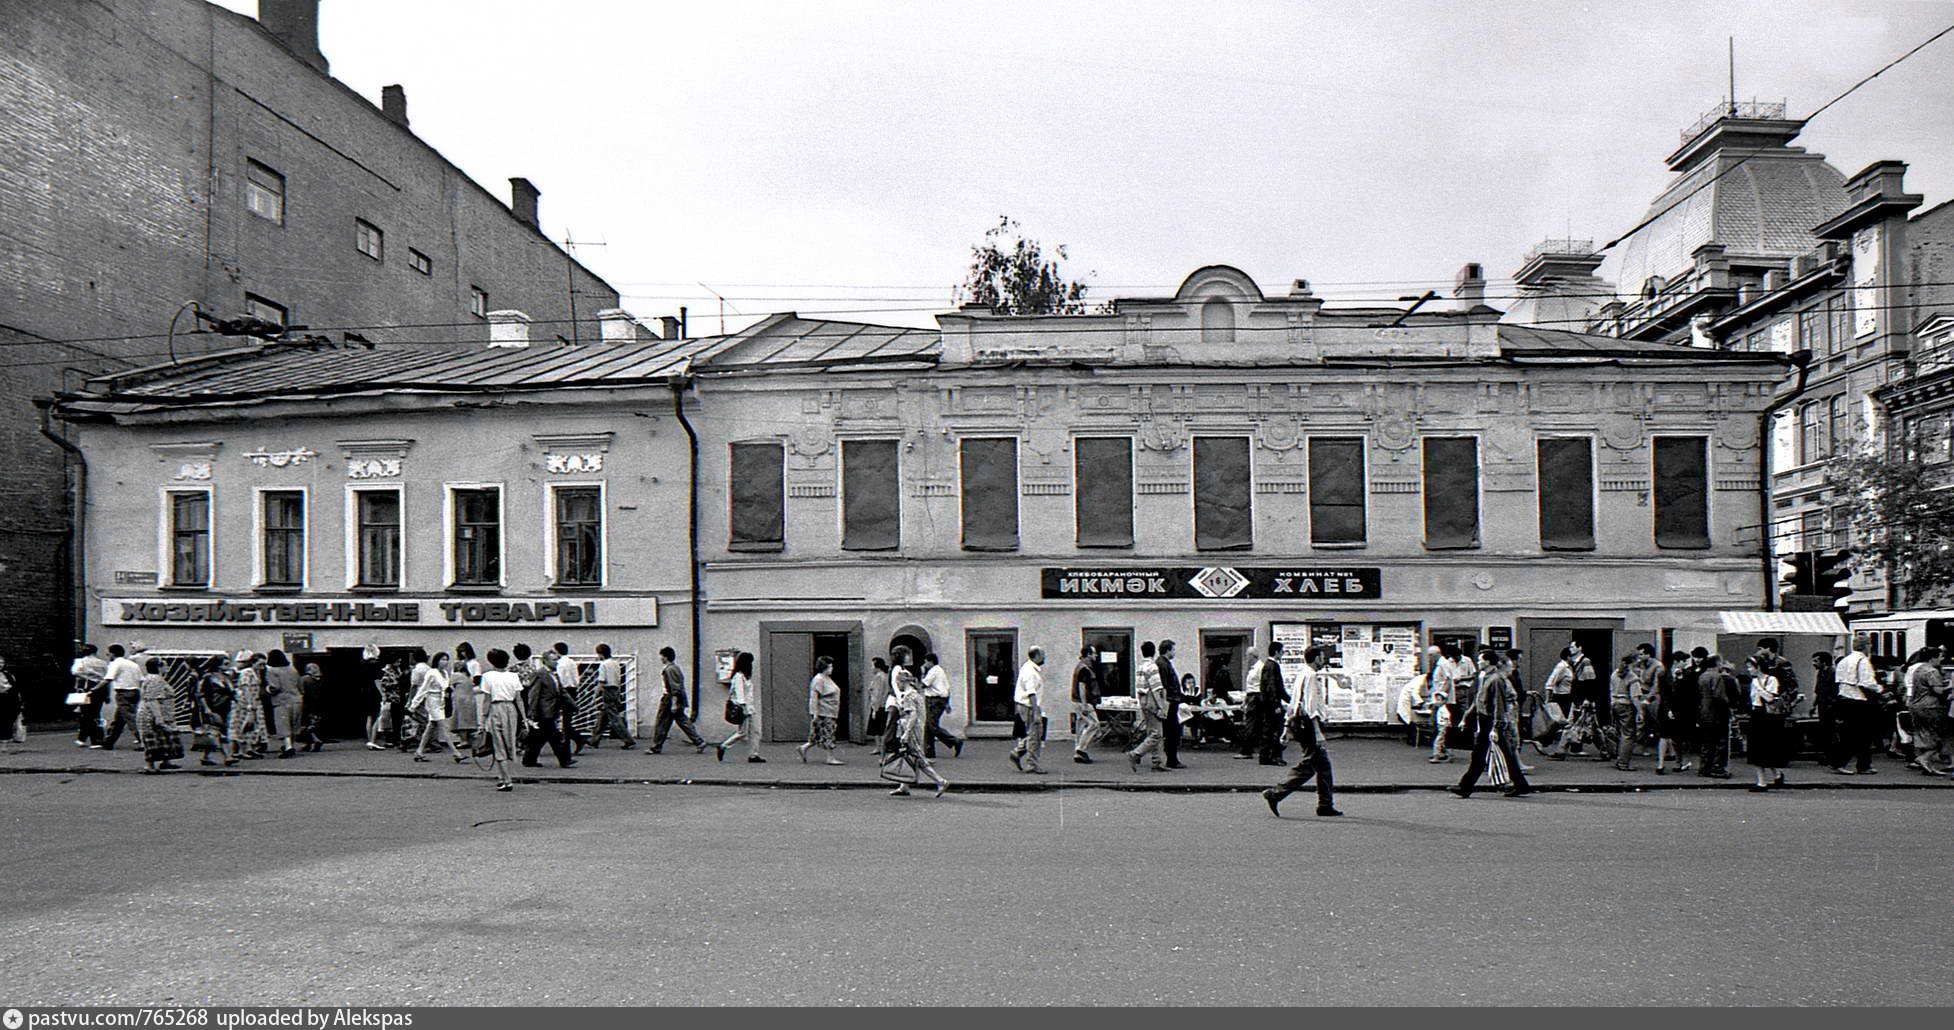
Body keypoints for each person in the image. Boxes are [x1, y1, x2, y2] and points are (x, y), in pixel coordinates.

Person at [1262, 646, 1342, 816]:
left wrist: (1286, 727)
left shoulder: (1302, 674)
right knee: (1309, 765)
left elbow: (1294, 703)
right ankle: (1276, 793)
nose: (1323, 661)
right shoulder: (1312, 676)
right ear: (1316, 659)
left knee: (1323, 765)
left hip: (1299, 722)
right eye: (1322, 657)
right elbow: (1311, 706)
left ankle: (1325, 805)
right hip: (1308, 725)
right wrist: (1318, 731)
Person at [1449, 649, 1531, 799]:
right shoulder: (1485, 677)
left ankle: (1465, 787)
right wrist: (1466, 717)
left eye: (1480, 660)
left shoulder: (1496, 679)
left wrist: (1495, 727)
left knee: (1481, 754)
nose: (1478, 662)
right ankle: (1521, 785)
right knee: (1505, 754)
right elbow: (1479, 700)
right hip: (1487, 720)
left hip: (1492, 722)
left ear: (1487, 662)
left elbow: (1498, 705)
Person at [883, 659, 948, 798]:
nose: (898, 686)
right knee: (909, 756)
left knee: (917, 757)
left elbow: (912, 715)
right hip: (917, 729)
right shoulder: (917, 694)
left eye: (899, 683)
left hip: (910, 730)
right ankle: (904, 786)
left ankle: (940, 781)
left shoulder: (908, 696)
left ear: (903, 682)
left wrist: (906, 733)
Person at [518, 643, 576, 768]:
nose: (557, 663)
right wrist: (531, 713)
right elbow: (533, 695)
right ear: (545, 661)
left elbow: (562, 692)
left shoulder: (554, 674)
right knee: (555, 736)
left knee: (539, 738)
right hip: (543, 711)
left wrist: (573, 705)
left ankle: (529, 759)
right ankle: (565, 759)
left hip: (552, 710)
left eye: (557, 660)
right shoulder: (540, 674)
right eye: (554, 660)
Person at [1830, 639, 1882, 775]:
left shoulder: (1844, 661)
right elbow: (1867, 683)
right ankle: (1855, 764)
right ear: (1866, 646)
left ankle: (1857, 763)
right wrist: (1880, 689)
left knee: (1848, 733)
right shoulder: (1863, 661)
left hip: (1844, 700)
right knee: (1862, 735)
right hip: (1859, 701)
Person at [479, 648, 528, 792]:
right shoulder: (513, 676)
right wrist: (524, 718)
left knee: (498, 744)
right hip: (511, 709)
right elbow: (519, 699)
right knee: (508, 743)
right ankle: (503, 777)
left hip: (496, 708)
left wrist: (482, 719)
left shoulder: (487, 676)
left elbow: (487, 700)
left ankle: (507, 780)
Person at [1745, 655, 1792, 792]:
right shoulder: (1753, 681)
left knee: (1766, 748)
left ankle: (1764, 781)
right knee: (1757, 749)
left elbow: (1770, 697)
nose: (1749, 670)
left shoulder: (1771, 680)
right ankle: (1769, 778)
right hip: (1757, 715)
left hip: (1768, 717)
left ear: (1758, 667)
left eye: (1750, 667)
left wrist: (1759, 688)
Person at [648, 646, 706, 753]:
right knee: (683, 721)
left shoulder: (669, 670)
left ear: (666, 657)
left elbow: (675, 688)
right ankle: (699, 741)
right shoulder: (675, 668)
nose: (661, 658)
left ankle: (656, 746)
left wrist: (673, 703)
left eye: (662, 656)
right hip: (676, 699)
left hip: (669, 699)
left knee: (662, 722)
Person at [1902, 647, 1950, 776]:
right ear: (1932, 658)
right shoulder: (1931, 671)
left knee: (1923, 734)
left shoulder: (1918, 669)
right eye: (1940, 656)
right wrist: (1950, 685)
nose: (1942, 659)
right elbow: (1938, 691)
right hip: (1931, 706)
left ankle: (1927, 765)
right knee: (1939, 736)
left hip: (1916, 705)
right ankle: (1924, 758)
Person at [409, 652, 465, 763]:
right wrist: (414, 704)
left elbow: (446, 687)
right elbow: (423, 689)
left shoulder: (444, 673)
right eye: (442, 659)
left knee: (431, 726)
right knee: (443, 727)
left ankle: (419, 751)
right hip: (432, 701)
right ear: (437, 661)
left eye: (446, 659)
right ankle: (456, 753)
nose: (445, 662)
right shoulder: (432, 673)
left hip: (441, 701)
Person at [133, 657, 183, 773]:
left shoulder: (155, 678)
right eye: (165, 665)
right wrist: (158, 717)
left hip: (159, 711)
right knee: (153, 738)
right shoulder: (155, 680)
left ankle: (166, 761)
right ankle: (150, 765)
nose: (168, 667)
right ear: (158, 667)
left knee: (162, 737)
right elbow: (152, 699)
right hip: (152, 713)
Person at [1427, 641, 1475, 763]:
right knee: (1444, 726)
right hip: (1446, 697)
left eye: (1430, 655)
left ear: (1435, 655)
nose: (1429, 658)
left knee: (1443, 726)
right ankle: (1444, 752)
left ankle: (1439, 753)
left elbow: (1447, 681)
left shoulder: (1443, 664)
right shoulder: (1445, 663)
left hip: (1447, 697)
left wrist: (1440, 697)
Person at [715, 651, 762, 763]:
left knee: (755, 732)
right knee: (743, 732)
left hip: (750, 708)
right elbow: (740, 693)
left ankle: (754, 755)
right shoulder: (739, 677)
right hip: (744, 708)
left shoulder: (744, 677)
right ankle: (723, 746)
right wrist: (744, 707)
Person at [1654, 651, 1696, 775]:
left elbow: (1688, 692)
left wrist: (1681, 680)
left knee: (1677, 737)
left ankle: (1678, 762)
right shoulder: (1664, 675)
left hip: (1680, 709)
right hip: (1669, 708)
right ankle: (1661, 764)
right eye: (1684, 661)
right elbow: (1664, 693)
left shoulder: (1686, 675)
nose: (1685, 664)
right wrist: (1668, 709)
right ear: (1677, 662)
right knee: (1665, 735)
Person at [1695, 652, 1736, 779]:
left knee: (1707, 742)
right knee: (1721, 742)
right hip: (1717, 713)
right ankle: (1718, 767)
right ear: (1717, 663)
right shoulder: (1717, 677)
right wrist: (1729, 706)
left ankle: (1704, 767)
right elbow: (1719, 696)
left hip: (1704, 713)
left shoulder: (1702, 676)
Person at [798, 655, 845, 765]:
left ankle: (803, 748)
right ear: (824, 667)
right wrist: (815, 713)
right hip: (825, 711)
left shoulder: (826, 678)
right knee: (828, 733)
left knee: (817, 734)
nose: (832, 669)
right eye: (830, 666)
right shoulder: (819, 679)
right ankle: (830, 757)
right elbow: (814, 697)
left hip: (830, 711)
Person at [588, 643, 634, 749]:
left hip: (608, 691)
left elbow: (601, 682)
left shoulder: (603, 665)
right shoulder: (615, 663)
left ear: (601, 654)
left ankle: (628, 739)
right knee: (603, 716)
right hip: (616, 690)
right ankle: (594, 739)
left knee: (614, 717)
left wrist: (595, 696)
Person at [1127, 657, 1169, 773]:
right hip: (1152, 701)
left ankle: (1157, 761)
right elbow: (1156, 689)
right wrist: (1161, 706)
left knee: (1151, 732)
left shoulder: (1140, 667)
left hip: (1143, 701)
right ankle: (1135, 753)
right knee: (1157, 734)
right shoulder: (1152, 667)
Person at [918, 652, 964, 759]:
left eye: (925, 662)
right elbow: (946, 688)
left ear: (930, 661)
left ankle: (954, 741)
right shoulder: (940, 671)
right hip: (940, 699)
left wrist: (922, 673)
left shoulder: (933, 671)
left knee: (932, 725)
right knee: (928, 726)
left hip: (934, 700)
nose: (925, 664)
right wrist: (947, 703)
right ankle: (929, 751)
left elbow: (924, 684)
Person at [1009, 647, 1046, 774]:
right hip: (1029, 706)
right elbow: (1032, 693)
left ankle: (1018, 752)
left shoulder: (1027, 667)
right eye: (1042, 655)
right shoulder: (1031, 672)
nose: (1044, 657)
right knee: (1035, 734)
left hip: (1024, 705)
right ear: (1037, 656)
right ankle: (1032, 764)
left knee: (1033, 732)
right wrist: (1036, 712)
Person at [100, 643, 143, 751]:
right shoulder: (132, 664)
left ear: (113, 654)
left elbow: (108, 679)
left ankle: (144, 741)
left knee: (130, 718)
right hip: (135, 691)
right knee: (119, 718)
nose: (107, 655)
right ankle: (109, 741)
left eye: (108, 653)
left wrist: (95, 689)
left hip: (123, 692)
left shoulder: (115, 664)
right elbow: (141, 679)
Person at [194, 655, 235, 767]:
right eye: (225, 664)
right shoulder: (208, 677)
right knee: (217, 731)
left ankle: (206, 756)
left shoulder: (226, 677)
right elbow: (200, 694)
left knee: (217, 732)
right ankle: (228, 756)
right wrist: (206, 708)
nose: (228, 666)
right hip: (213, 706)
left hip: (225, 706)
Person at [1256, 640, 1291, 765]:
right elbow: (1273, 687)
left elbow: (1276, 688)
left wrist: (1290, 700)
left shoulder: (1269, 665)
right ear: (1276, 652)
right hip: (1271, 705)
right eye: (1282, 652)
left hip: (1268, 704)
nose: (1283, 654)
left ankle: (1266, 756)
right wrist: (1277, 704)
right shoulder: (1272, 666)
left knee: (1269, 731)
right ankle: (1274, 756)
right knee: (1274, 731)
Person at [262, 649, 300, 759]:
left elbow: (275, 687)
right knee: (294, 724)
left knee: (283, 724)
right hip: (296, 699)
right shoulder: (292, 669)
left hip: (281, 700)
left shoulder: (272, 671)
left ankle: (288, 747)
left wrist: (267, 690)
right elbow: (299, 684)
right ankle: (291, 745)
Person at [1070, 644, 1105, 764]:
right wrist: (1085, 704)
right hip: (1084, 702)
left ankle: (1078, 751)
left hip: (1076, 701)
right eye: (1094, 653)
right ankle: (1081, 750)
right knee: (1094, 724)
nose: (1096, 655)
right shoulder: (1084, 669)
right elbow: (1082, 687)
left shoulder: (1080, 667)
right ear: (1088, 654)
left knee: (1081, 726)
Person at [228, 651, 266, 761]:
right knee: (242, 726)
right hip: (244, 703)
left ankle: (250, 749)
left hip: (255, 702)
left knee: (254, 727)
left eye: (264, 664)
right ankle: (241, 750)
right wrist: (250, 704)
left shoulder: (257, 673)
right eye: (260, 664)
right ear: (253, 663)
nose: (262, 667)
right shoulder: (247, 672)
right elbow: (245, 688)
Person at [1608, 654, 1642, 771]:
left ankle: (1618, 757)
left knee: (1619, 732)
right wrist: (1641, 712)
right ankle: (1623, 762)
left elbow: (1611, 690)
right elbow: (1635, 697)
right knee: (1628, 734)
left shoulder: (1614, 674)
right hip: (1626, 705)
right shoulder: (1632, 678)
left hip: (1615, 704)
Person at [71, 644, 109, 747]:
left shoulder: (80, 661)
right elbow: (107, 678)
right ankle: (95, 737)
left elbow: (74, 672)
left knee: (86, 713)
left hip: (86, 688)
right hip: (101, 689)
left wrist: (88, 675)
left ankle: (90, 739)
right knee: (96, 713)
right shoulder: (103, 663)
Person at [1157, 639, 1186, 769]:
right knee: (1172, 732)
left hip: (1171, 700)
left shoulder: (1164, 663)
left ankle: (1171, 758)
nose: (1175, 652)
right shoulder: (1163, 664)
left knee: (1172, 731)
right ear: (1168, 650)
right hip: (1170, 702)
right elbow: (1164, 685)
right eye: (1173, 649)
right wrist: (1166, 701)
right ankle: (1171, 759)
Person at [1810, 651, 1839, 764]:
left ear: (1824, 662)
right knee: (1825, 731)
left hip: (1831, 706)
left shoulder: (1832, 673)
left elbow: (1835, 691)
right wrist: (1814, 705)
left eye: (1816, 661)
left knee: (1831, 731)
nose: (1813, 663)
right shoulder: (1821, 673)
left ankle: (1832, 756)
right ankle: (1827, 755)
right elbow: (1818, 690)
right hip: (1823, 705)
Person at [452, 642, 483, 747]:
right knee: (461, 717)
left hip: (470, 692)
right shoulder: (458, 663)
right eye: (460, 652)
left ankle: (468, 740)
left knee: (468, 717)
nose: (462, 654)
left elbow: (477, 679)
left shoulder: (474, 663)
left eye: (464, 651)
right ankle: (464, 739)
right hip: (460, 693)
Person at [1236, 647, 1264, 760]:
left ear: (1252, 656)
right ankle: (1251, 748)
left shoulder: (1259, 668)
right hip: (1252, 696)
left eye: (1247, 656)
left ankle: (1246, 750)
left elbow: (1261, 684)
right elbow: (1249, 687)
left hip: (1256, 696)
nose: (1246, 659)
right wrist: (1245, 700)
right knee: (1254, 724)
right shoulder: (1253, 668)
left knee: (1251, 723)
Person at [376, 657, 407, 751]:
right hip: (392, 697)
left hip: (398, 697)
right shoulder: (387, 671)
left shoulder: (397, 670)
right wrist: (398, 681)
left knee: (398, 719)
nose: (399, 663)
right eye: (397, 661)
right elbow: (385, 683)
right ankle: (392, 739)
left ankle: (397, 738)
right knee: (392, 719)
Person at [295, 663, 328, 752]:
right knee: (312, 725)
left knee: (305, 725)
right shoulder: (319, 680)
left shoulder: (304, 679)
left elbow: (302, 692)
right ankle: (309, 744)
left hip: (306, 704)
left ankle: (315, 741)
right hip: (317, 704)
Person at [865, 657, 892, 755]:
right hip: (883, 704)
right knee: (881, 727)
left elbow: (877, 693)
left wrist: (874, 709)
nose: (871, 668)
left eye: (872, 666)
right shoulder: (884, 676)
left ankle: (879, 746)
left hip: (878, 705)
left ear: (877, 667)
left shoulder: (878, 677)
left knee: (877, 727)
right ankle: (880, 746)